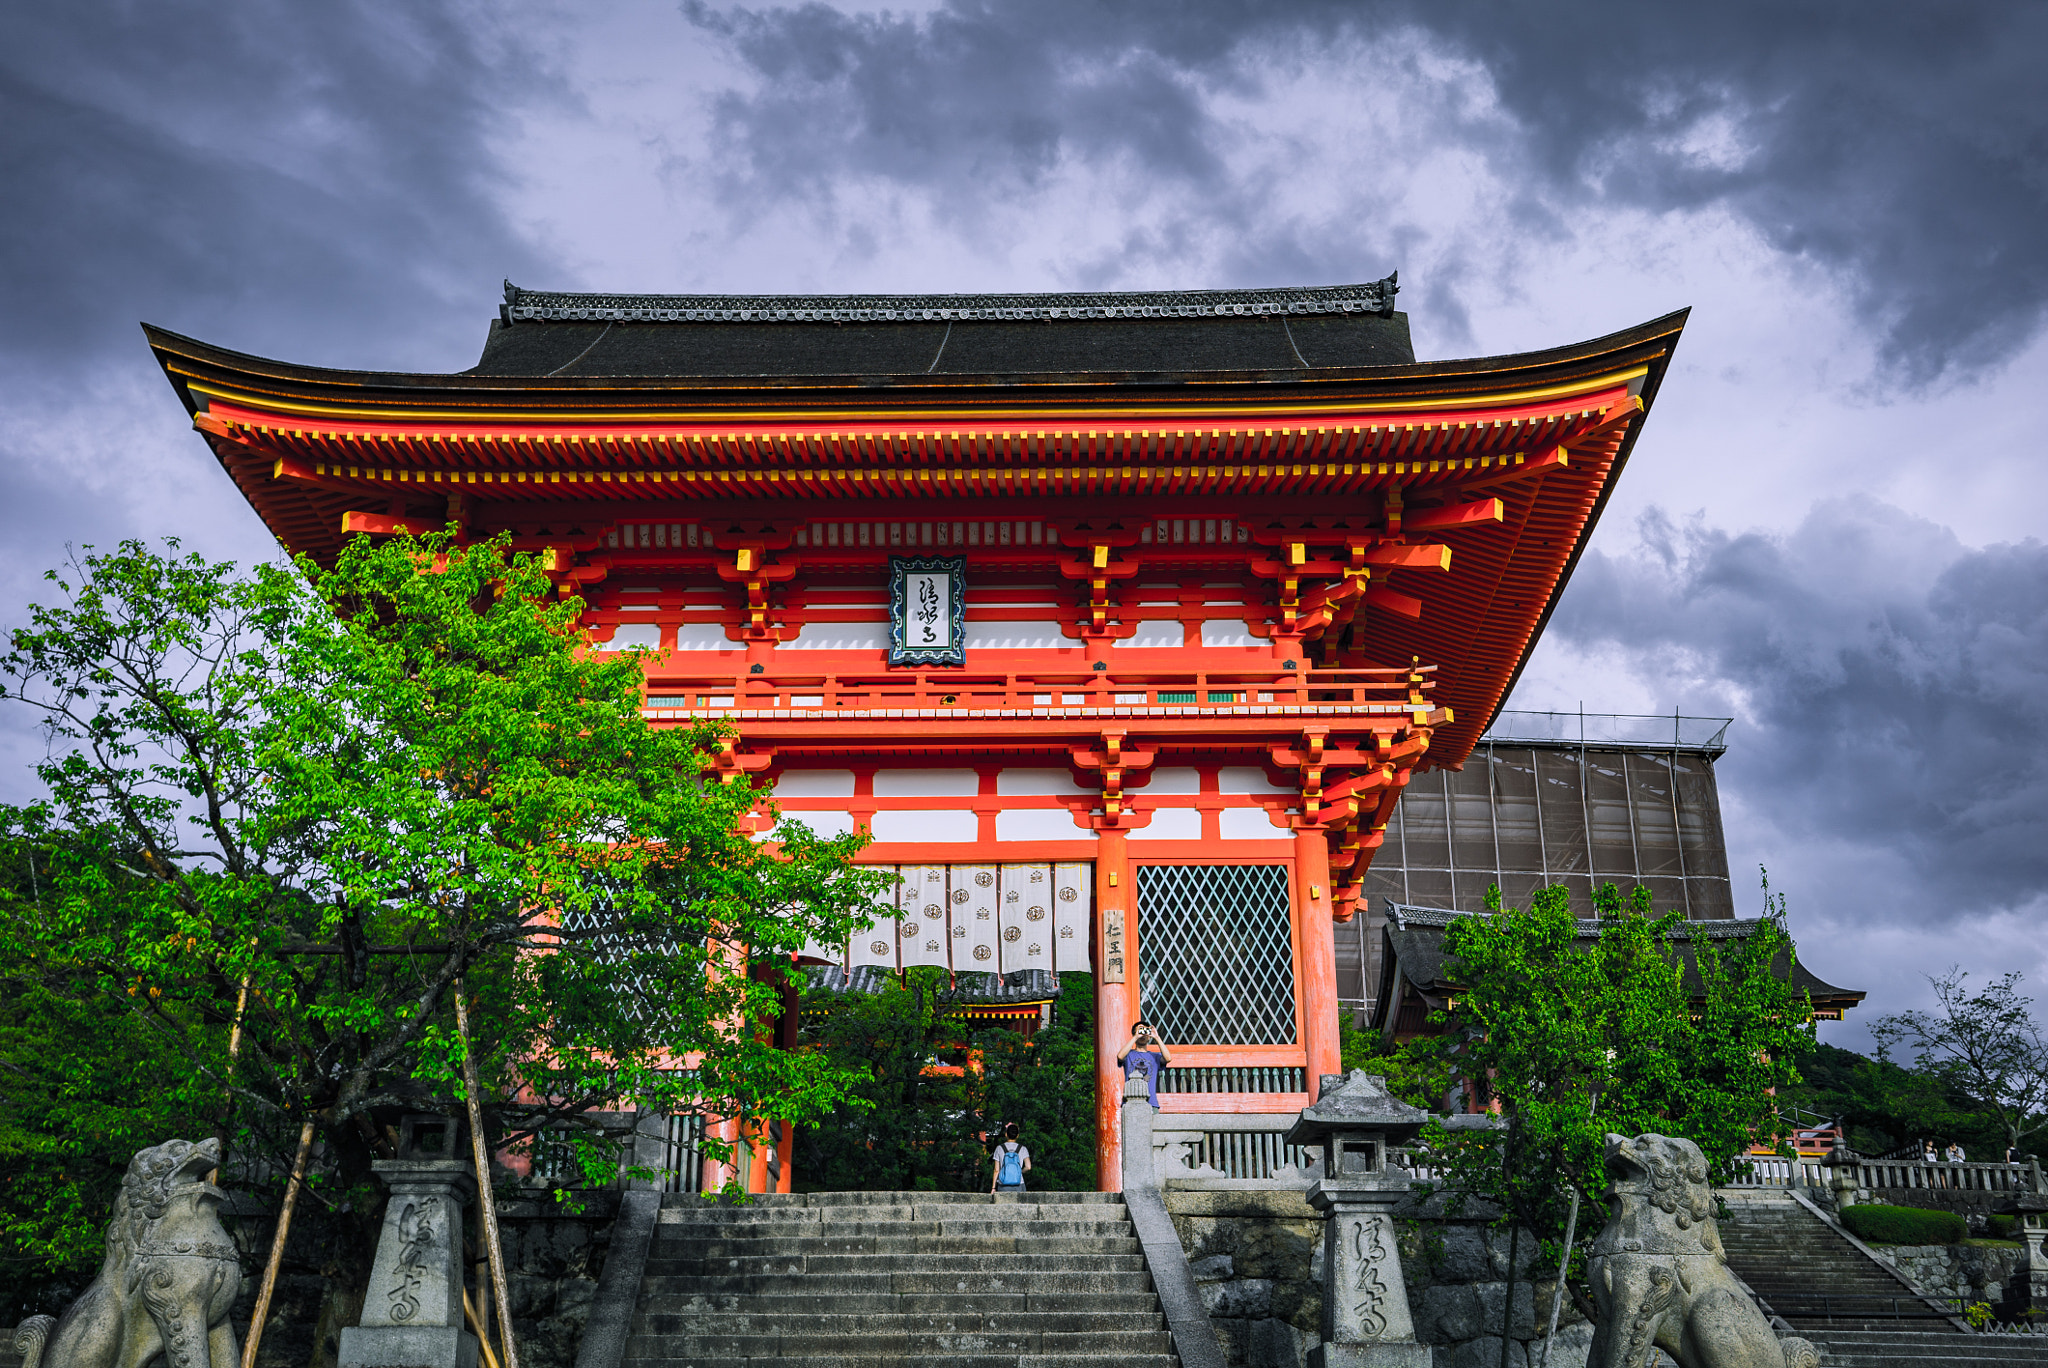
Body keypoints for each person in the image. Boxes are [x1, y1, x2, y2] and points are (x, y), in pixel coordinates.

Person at [1117, 1020, 1173, 1108]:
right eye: (1140, 1031)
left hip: (1151, 1102)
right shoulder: (1129, 1054)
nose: (1143, 1035)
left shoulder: (1154, 1056)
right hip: (1130, 1101)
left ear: (1149, 1036)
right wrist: (1135, 1037)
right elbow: (1120, 1056)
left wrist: (1157, 1037)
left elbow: (1168, 1058)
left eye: (1145, 1031)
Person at [990, 1122, 1031, 1193]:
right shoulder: (1023, 1148)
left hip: (1003, 1184)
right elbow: (1028, 1167)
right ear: (1017, 1135)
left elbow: (996, 1170)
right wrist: (1020, 1172)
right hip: (1019, 1183)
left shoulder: (999, 1148)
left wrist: (993, 1187)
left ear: (1006, 1134)